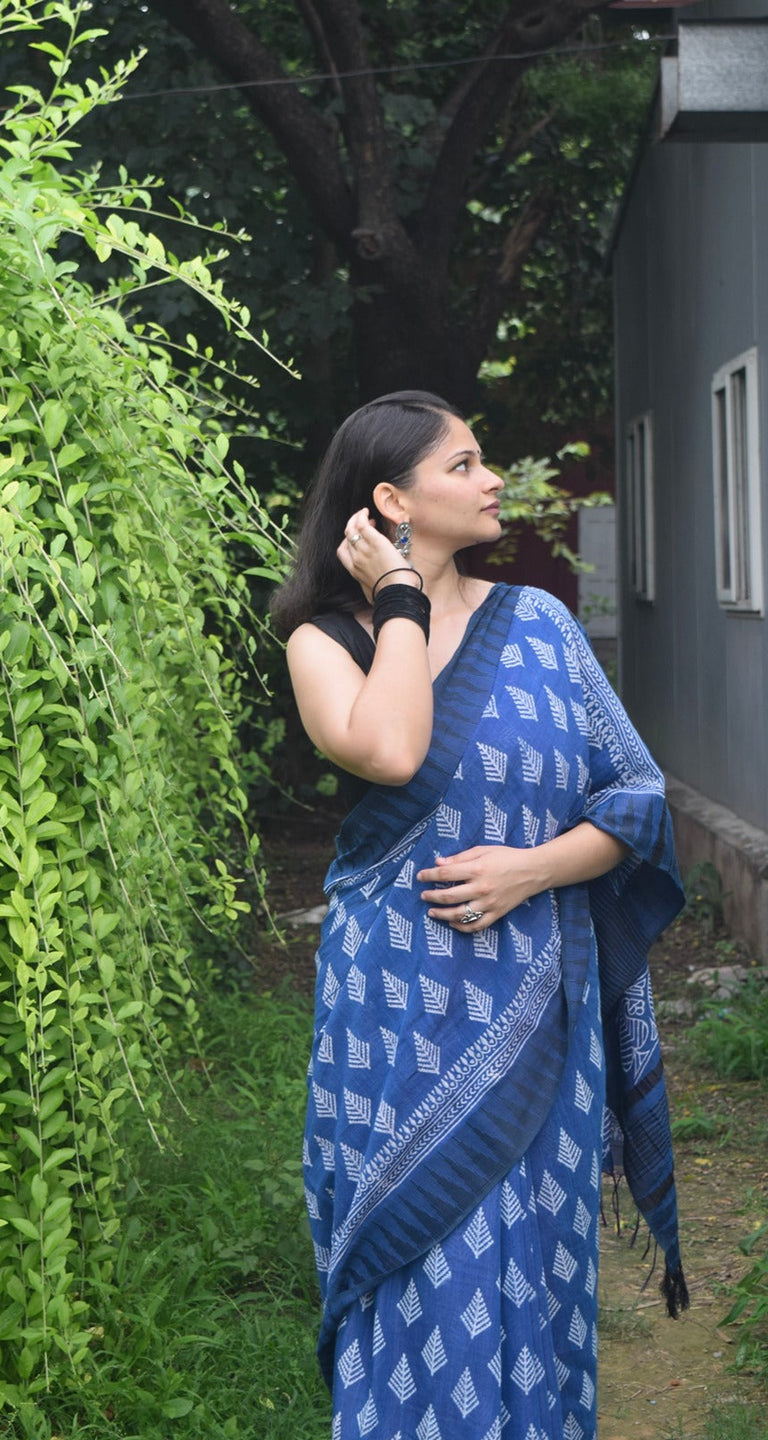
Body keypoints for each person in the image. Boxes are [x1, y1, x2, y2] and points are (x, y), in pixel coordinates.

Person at [271, 392, 688, 1440]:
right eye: (463, 465)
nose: (492, 478)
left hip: (538, 1011)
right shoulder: (323, 642)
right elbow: (393, 751)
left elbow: (637, 805)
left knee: (534, 1261)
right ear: (390, 501)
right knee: (418, 1264)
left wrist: (535, 871)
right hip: (394, 1024)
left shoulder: (542, 625)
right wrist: (402, 597)